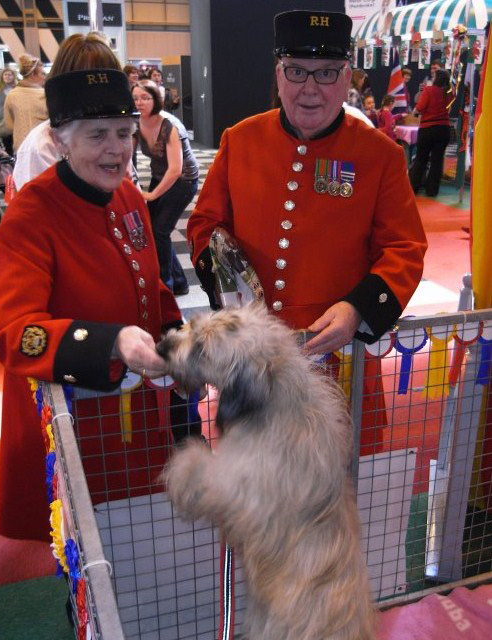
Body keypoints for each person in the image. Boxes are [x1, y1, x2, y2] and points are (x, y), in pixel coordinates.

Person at [187, 10, 427, 454]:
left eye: (327, 72)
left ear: (347, 77)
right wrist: (225, 277)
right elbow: (205, 223)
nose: (310, 88)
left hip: (339, 363)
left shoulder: (380, 155)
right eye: (296, 71)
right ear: (278, 74)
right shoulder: (239, 140)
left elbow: (405, 248)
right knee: (252, 494)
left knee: (342, 500)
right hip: (251, 363)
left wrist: (358, 309)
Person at [0, 69, 195, 542]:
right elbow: (14, 333)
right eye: (97, 135)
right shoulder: (30, 215)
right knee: (92, 566)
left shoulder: (127, 194)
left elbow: (152, 285)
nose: (117, 148)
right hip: (77, 428)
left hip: (140, 417)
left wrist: (177, 335)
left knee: (149, 548)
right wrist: (110, 341)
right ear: (60, 141)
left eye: (124, 134)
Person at [13, 32, 125, 191]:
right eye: (88, 81)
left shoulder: (118, 136)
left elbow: (128, 195)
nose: (100, 91)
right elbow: (39, 208)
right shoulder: (42, 145)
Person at [132, 79, 199, 296]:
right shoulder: (136, 123)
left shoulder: (170, 125)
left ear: (156, 100)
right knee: (152, 229)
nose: (139, 102)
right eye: (135, 98)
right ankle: (179, 281)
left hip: (183, 180)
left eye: (145, 98)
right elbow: (127, 157)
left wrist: (151, 195)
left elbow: (176, 169)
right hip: (159, 175)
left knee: (160, 230)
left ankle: (165, 288)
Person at [410, 69, 452, 197]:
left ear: (436, 78)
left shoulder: (429, 90)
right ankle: (432, 190)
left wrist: (415, 112)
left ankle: (413, 187)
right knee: (437, 161)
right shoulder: (449, 93)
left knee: (421, 159)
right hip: (444, 129)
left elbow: (420, 108)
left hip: (428, 129)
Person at [3, 54, 47, 152]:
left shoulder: (11, 95)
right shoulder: (45, 95)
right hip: (43, 148)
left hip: (21, 148)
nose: (44, 77)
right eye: (42, 73)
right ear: (32, 75)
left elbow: (9, 126)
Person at [0, 67, 17, 155]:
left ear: (14, 76)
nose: (7, 77)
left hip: (16, 119)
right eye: (5, 75)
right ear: (2, 77)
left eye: (9, 75)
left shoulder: (17, 88)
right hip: (2, 121)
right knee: (8, 143)